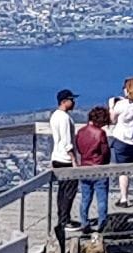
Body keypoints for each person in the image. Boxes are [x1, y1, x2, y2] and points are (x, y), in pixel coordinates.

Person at [106, 76, 133, 211]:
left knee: (123, 171)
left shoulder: (121, 105)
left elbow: (112, 119)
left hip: (121, 141)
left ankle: (124, 198)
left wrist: (111, 106)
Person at [41, 89, 82, 230]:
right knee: (69, 191)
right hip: (65, 159)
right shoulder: (64, 118)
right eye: (71, 99)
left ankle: (62, 217)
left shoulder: (54, 116)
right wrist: (74, 160)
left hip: (56, 157)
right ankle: (65, 220)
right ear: (64, 101)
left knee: (62, 191)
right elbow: (67, 141)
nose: (74, 102)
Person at [69, 102, 114, 232]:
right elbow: (105, 151)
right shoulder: (100, 134)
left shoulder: (80, 132)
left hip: (84, 167)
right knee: (101, 198)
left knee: (85, 198)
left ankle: (84, 222)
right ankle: (102, 223)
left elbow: (78, 148)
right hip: (99, 167)